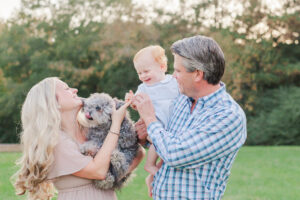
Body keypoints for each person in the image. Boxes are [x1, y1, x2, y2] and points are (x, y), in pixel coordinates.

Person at [133, 35, 247, 199]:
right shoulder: (181, 100)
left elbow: (175, 154)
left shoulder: (227, 116)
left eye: (178, 70)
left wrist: (150, 119)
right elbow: (166, 139)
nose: (173, 76)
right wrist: (145, 136)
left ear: (198, 74)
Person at [12, 77, 145, 200]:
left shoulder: (92, 129)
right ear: (54, 103)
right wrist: (116, 123)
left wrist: (137, 137)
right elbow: (98, 172)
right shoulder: (56, 141)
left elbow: (138, 154)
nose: (74, 90)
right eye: (66, 89)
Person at [125, 45, 179, 175]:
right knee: (156, 142)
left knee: (170, 150)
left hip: (174, 124)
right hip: (156, 124)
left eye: (146, 71)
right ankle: (149, 165)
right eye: (139, 73)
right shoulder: (143, 88)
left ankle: (162, 167)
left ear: (162, 67)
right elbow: (136, 104)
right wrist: (132, 100)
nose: (143, 76)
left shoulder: (173, 82)